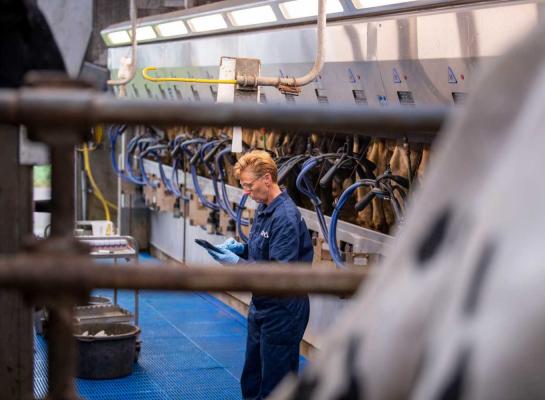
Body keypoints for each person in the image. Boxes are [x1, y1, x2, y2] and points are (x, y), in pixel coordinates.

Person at [206, 150, 313, 400]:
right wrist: (241, 251)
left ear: (267, 179)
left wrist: (235, 264)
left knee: (276, 386)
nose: (246, 192)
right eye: (243, 186)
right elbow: (262, 253)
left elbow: (278, 273)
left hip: (283, 310)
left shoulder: (285, 217)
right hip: (262, 305)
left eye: (248, 185)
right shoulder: (265, 208)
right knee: (252, 378)